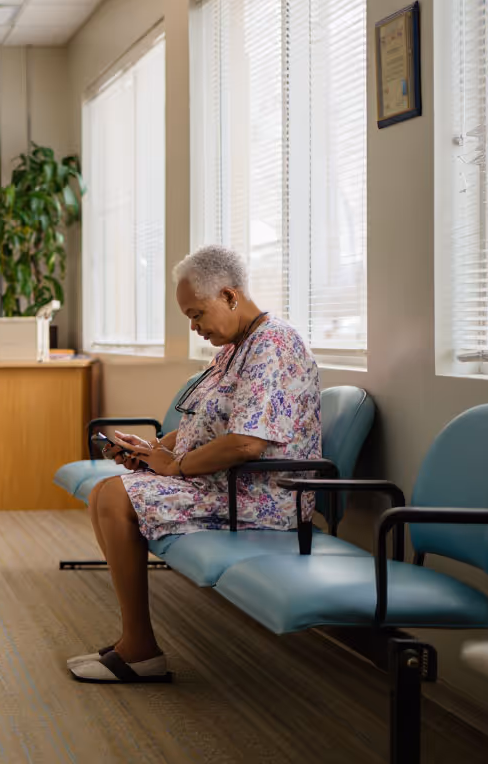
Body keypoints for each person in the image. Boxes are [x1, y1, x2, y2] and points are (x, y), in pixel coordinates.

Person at [68, 245, 321, 683]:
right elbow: (200, 426)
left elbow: (246, 443)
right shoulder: (233, 349)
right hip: (224, 484)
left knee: (114, 496)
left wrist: (175, 468)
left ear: (228, 295)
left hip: (263, 496)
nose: (194, 326)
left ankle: (140, 650)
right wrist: (149, 450)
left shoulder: (273, 344)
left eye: (197, 313)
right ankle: (135, 640)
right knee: (105, 492)